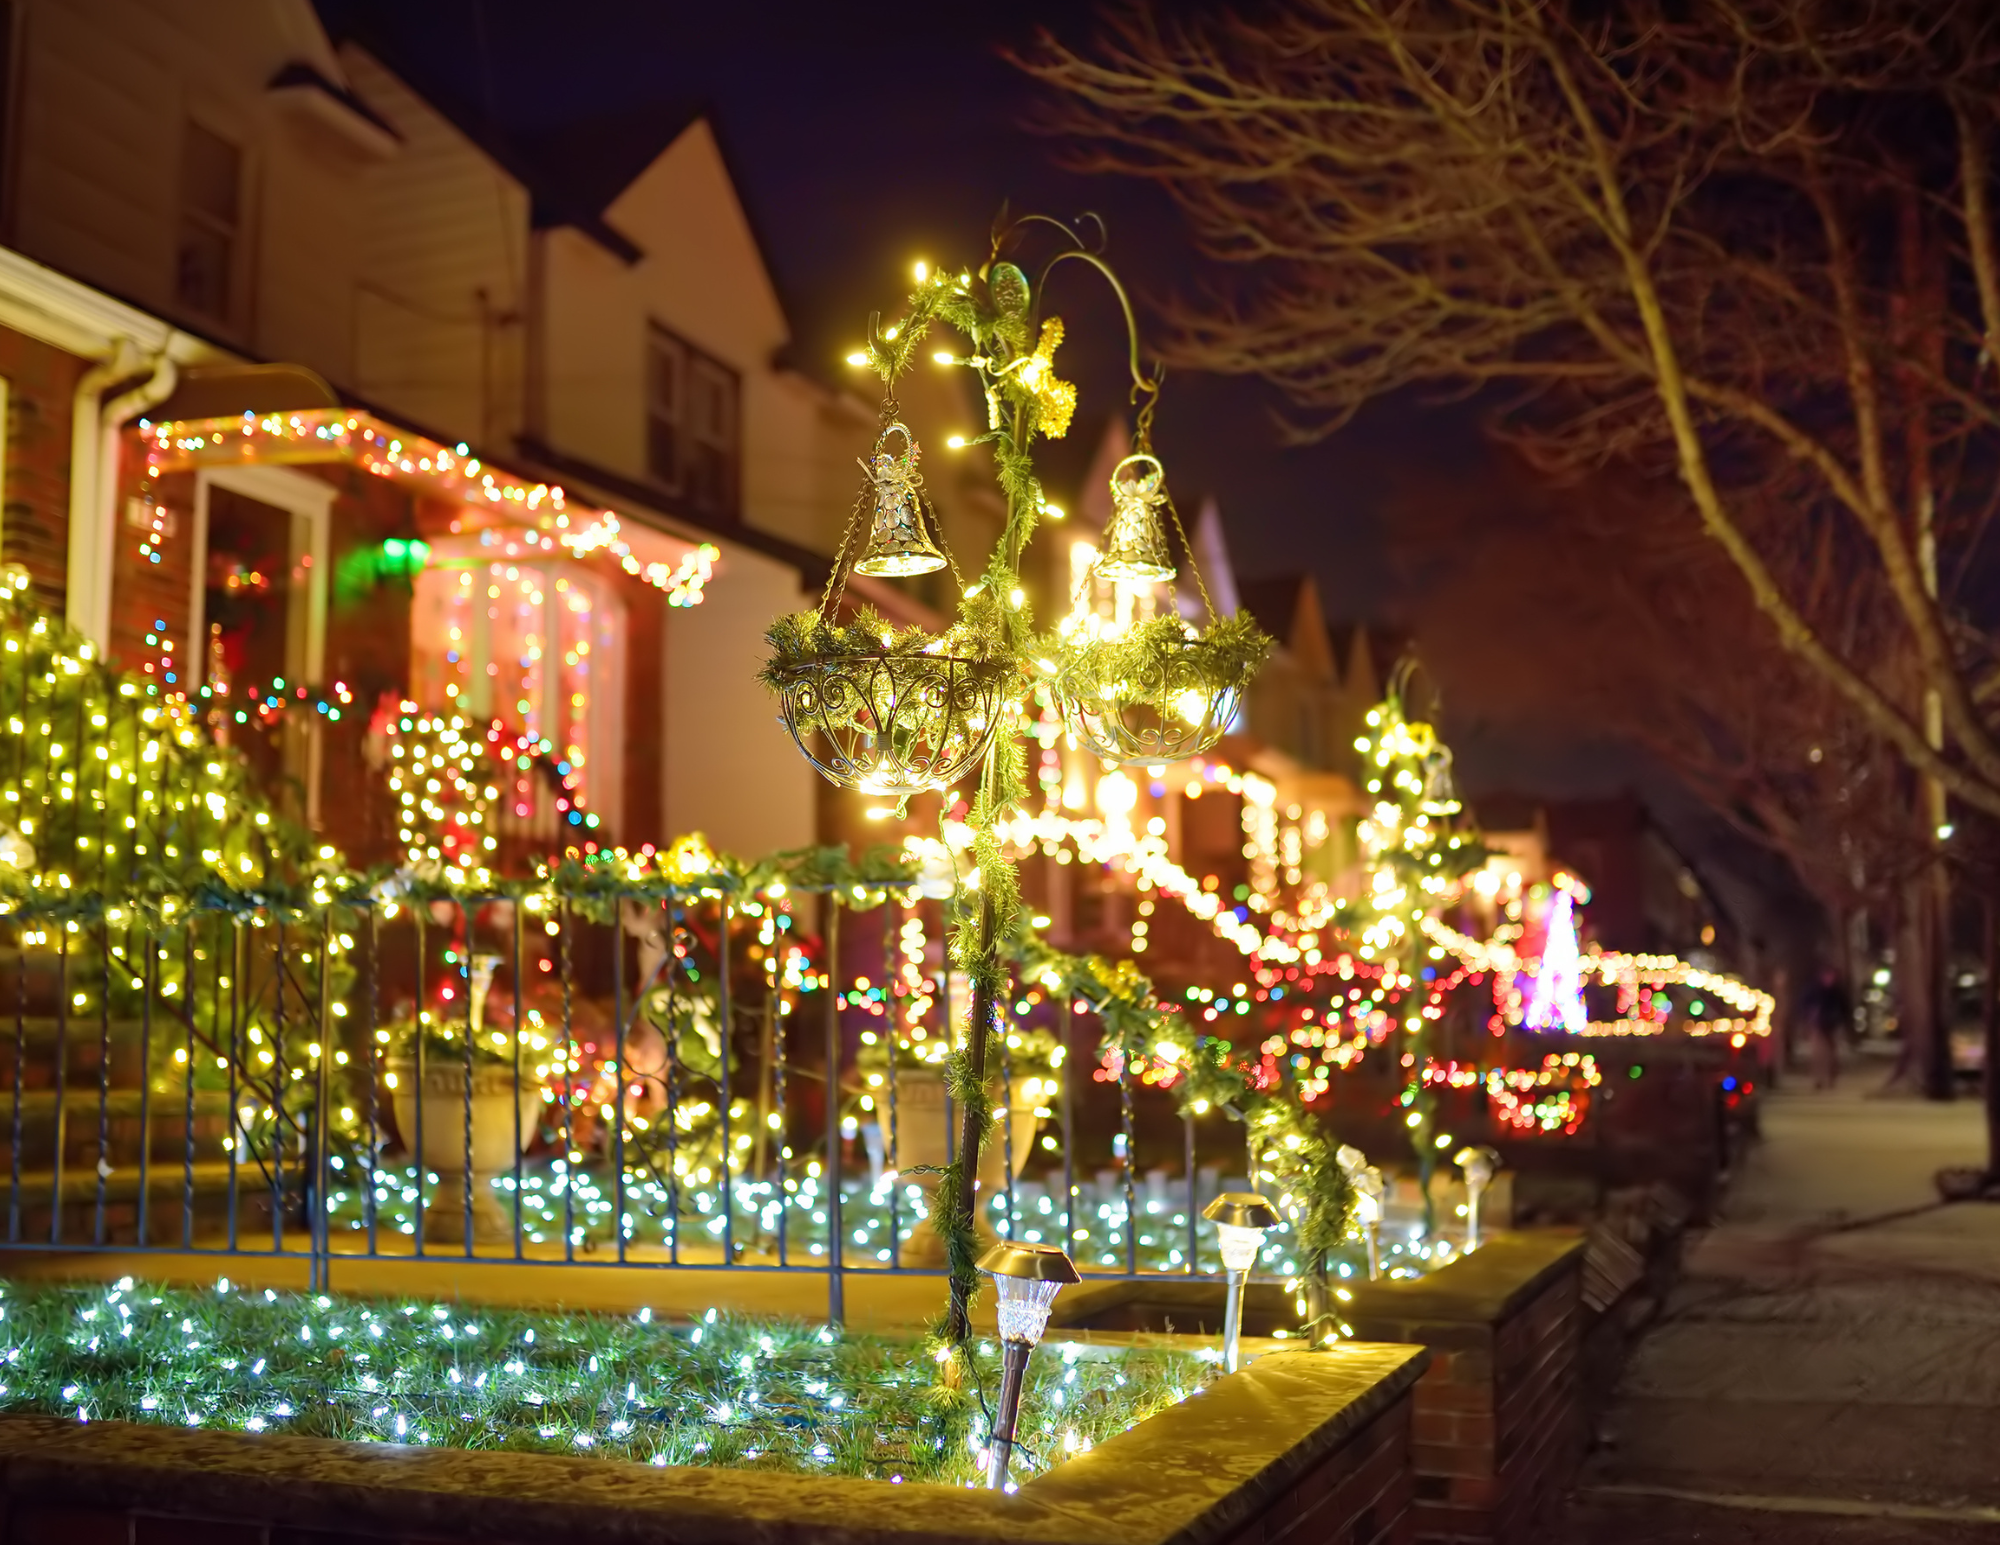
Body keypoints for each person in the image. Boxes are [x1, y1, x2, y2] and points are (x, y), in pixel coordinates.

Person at [1809, 967, 1851, 1090]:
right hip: (1818, 1023)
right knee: (1819, 1053)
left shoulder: (1838, 991)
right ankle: (1819, 1078)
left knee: (1832, 1053)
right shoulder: (1815, 990)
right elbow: (1807, 1003)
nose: (1828, 979)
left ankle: (1832, 1076)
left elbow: (1845, 1007)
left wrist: (1842, 1021)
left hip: (1833, 1024)